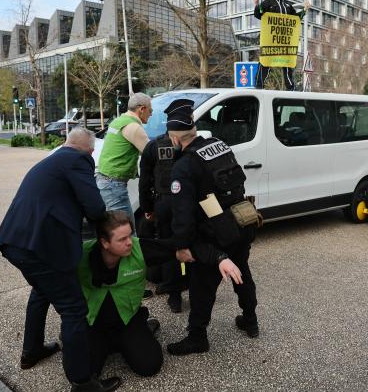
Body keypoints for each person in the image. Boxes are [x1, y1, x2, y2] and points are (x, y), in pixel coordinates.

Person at [0, 128, 120, 392]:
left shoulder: (52, 160)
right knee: (74, 309)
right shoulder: (78, 160)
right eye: (91, 152)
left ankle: (32, 350)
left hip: (17, 241)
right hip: (41, 247)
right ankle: (82, 382)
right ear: (88, 150)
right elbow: (95, 207)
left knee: (42, 292)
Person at [164, 104, 259, 356]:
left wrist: (182, 246)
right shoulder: (218, 144)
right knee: (241, 273)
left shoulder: (183, 167)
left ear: (174, 138)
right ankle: (250, 320)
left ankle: (197, 337)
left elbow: (182, 213)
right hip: (241, 222)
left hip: (213, 234)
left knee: (201, 287)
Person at [78, 211, 164, 378]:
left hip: (128, 320)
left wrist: (219, 258)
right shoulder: (81, 255)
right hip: (94, 323)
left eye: (130, 235)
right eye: (122, 239)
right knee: (83, 372)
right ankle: (110, 344)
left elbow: (174, 248)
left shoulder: (139, 248)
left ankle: (133, 336)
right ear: (104, 242)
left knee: (149, 365)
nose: (129, 242)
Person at [138, 99, 193, 313]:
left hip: (164, 203)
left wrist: (147, 208)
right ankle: (191, 286)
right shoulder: (193, 143)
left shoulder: (153, 146)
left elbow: (145, 181)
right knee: (191, 243)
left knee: (169, 247)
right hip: (188, 203)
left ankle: (174, 296)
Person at [96, 92, 152, 225]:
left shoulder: (118, 121)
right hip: (114, 185)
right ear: (142, 109)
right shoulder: (133, 127)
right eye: (150, 110)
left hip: (106, 181)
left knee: (115, 230)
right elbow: (151, 152)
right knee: (126, 231)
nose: (151, 114)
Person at [253, 0, 310, 91]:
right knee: (266, 61)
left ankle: (291, 88)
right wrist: (257, 5)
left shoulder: (288, 5)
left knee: (288, 62)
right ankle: (258, 87)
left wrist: (304, 10)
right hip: (270, 40)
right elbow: (259, 15)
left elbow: (296, 20)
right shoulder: (267, 3)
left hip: (285, 40)